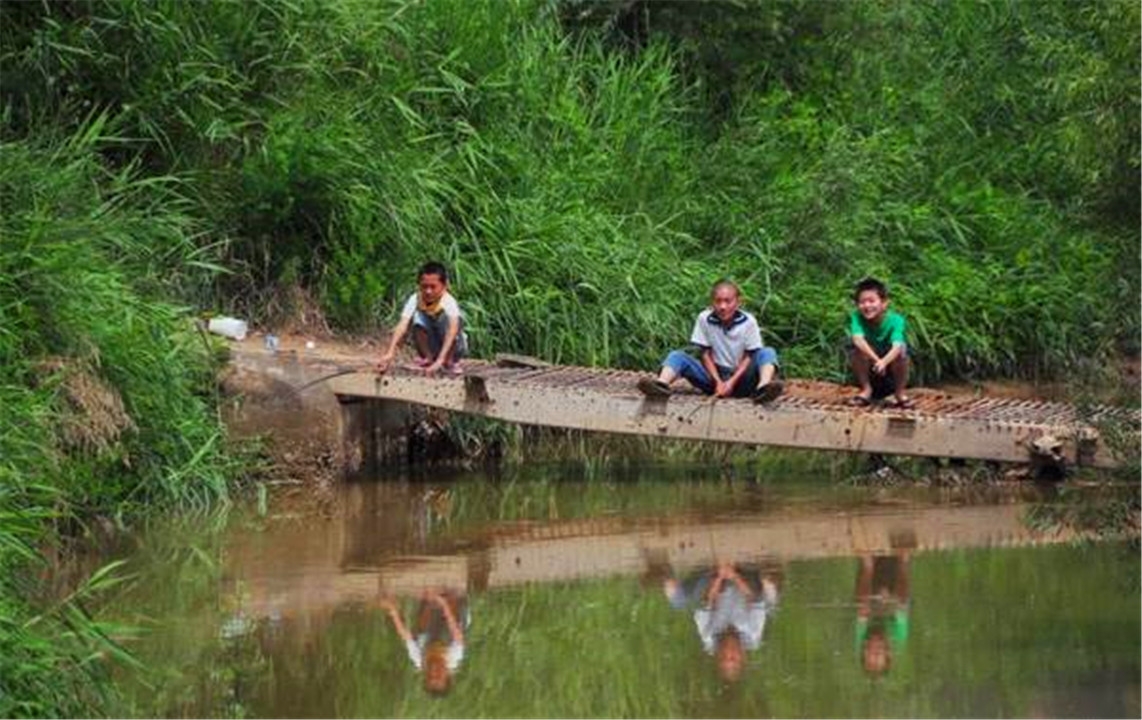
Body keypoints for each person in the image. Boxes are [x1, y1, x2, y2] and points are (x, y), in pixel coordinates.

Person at [637, 280, 783, 403]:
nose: (722, 306)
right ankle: (661, 385)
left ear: (738, 302)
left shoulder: (749, 321)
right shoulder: (704, 318)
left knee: (767, 352)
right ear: (712, 302)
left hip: (742, 378)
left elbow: (749, 356)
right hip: (714, 377)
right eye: (718, 301)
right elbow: (705, 354)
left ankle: (763, 389)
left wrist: (730, 383)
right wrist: (719, 382)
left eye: (728, 301)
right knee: (677, 356)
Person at [377, 261, 467, 375]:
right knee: (417, 317)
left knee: (447, 319)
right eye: (424, 287)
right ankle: (428, 357)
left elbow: (453, 331)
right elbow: (402, 325)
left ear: (444, 286)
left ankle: (448, 361)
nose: (428, 291)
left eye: (433, 287)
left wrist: (440, 360)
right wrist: (390, 353)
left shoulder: (448, 302)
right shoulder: (415, 299)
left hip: (453, 349)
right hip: (432, 345)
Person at [380, 589, 469, 696]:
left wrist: (393, 611)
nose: (434, 672)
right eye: (439, 676)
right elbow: (456, 631)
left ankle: (429, 602)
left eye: (430, 676)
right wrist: (444, 604)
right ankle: (450, 597)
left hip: (432, 623)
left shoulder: (419, 660)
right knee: (451, 634)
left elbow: (406, 637)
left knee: (422, 637)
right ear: (447, 675)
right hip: (455, 618)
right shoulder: (454, 657)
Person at [847, 277, 912, 408]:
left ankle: (899, 393)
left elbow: (897, 346)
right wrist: (877, 360)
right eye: (862, 302)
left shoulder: (896, 320)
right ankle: (866, 390)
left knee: (902, 350)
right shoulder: (856, 317)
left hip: (890, 364)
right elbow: (858, 339)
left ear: (884, 303)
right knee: (856, 348)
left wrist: (884, 362)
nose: (867, 306)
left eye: (871, 301)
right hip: (870, 363)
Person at [854, 538, 913, 677]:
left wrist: (878, 598)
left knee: (862, 608)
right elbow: (902, 611)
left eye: (870, 651)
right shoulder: (897, 638)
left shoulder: (860, 639)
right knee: (901, 605)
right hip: (894, 581)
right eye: (878, 652)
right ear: (887, 651)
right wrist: (889, 600)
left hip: (871, 583)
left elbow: (861, 616)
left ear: (864, 650)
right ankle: (903, 558)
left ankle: (867, 562)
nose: (874, 647)